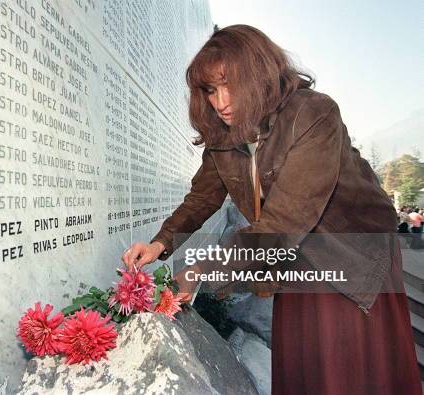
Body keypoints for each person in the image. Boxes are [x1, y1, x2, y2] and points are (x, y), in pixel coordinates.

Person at [121, 25, 421, 394]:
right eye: (211, 90)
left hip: (350, 255)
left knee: (346, 370)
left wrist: (201, 269)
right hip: (290, 251)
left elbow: (285, 222)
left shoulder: (313, 113)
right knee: (302, 363)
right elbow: (202, 198)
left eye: (228, 84)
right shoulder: (224, 135)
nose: (219, 102)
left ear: (258, 73)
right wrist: (160, 243)